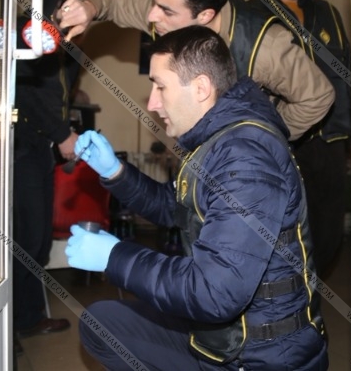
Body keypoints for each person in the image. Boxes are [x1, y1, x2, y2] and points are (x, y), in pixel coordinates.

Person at [66, 26, 328, 370]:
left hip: (258, 356)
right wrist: (115, 171)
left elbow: (214, 292)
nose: (152, 102)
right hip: (226, 335)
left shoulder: (245, 155)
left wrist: (115, 257)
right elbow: (173, 207)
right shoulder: (219, 139)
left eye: (160, 86)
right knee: (103, 322)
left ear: (201, 88)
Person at [57, 0, 335, 142]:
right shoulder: (165, 11)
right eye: (155, 2)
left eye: (166, 11)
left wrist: (261, 136)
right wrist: (88, 8)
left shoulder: (266, 47)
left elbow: (317, 97)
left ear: (204, 16)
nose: (152, 16)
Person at [247, 0, 351, 276]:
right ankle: (283, 300)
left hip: (331, 142)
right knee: (280, 231)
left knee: (328, 234)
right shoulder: (251, 15)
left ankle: (311, 298)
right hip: (282, 141)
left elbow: (347, 75)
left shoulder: (329, 13)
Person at [11, 0, 82, 344]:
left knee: (37, 240)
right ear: (51, 4)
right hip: (23, 148)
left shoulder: (64, 45)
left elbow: (57, 96)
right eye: (67, 6)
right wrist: (62, 134)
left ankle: (27, 317)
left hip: (40, 149)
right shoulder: (30, 34)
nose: (75, 14)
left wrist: (63, 131)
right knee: (27, 237)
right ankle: (18, 320)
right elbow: (26, 93)